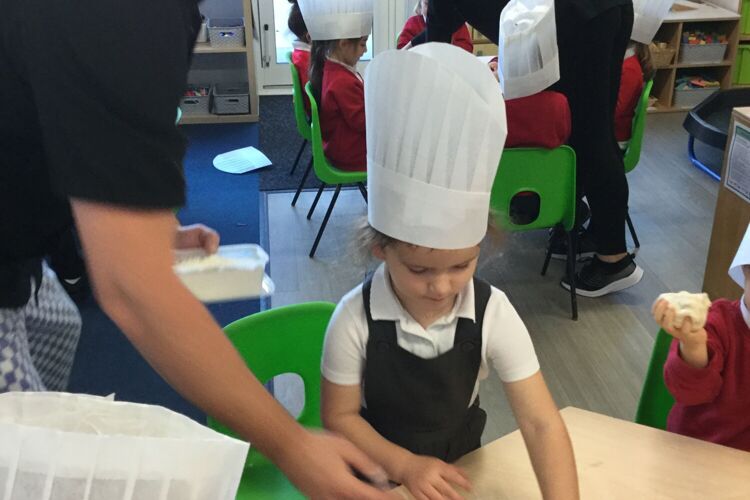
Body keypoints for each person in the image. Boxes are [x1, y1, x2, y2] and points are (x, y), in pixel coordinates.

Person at [0, 1, 390, 498]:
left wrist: (139, 231)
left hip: (22, 249)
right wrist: (292, 444)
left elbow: (66, 129)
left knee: (57, 333)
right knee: (27, 460)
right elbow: (132, 290)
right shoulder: (123, 17)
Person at [321, 44, 578, 500]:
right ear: (381, 248)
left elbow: (540, 423)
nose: (441, 287)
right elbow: (338, 417)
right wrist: (405, 466)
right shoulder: (353, 317)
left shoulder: (493, 310)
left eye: (462, 265)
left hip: (460, 474)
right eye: (420, 269)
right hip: (378, 477)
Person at [422, 0, 643, 298]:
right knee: (592, 128)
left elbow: (437, 35)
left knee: (590, 133)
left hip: (580, 17)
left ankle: (613, 258)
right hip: (600, 11)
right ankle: (590, 229)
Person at [652, 223, 750, 452]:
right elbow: (690, 392)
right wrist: (694, 345)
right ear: (745, 271)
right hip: (699, 451)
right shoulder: (717, 324)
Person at [302, 0, 371, 172]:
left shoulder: (331, 69)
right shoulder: (342, 81)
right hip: (352, 155)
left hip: (341, 147)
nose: (366, 50)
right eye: (362, 43)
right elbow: (364, 122)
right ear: (344, 44)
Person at [615, 42, 655, 150]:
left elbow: (618, 110)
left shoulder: (629, 69)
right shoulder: (627, 63)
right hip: (614, 131)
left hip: (616, 136)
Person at [397, 0, 472, 53]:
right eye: (426, 4)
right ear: (420, 5)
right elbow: (402, 51)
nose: (431, 9)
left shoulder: (456, 22)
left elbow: (467, 49)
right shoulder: (412, 23)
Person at [288, 0, 312, 115]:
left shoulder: (300, 53)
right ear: (309, 37)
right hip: (318, 112)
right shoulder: (306, 60)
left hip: (314, 107)